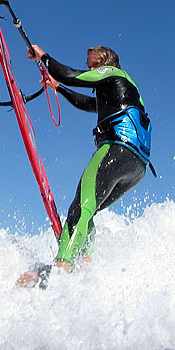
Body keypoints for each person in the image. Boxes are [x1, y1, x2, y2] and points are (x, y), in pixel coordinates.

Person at [16, 45, 152, 287]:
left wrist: (43, 57)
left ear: (107, 63)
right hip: (137, 167)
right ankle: (85, 265)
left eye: (94, 65)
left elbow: (73, 75)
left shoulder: (113, 73)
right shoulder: (125, 89)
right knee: (90, 210)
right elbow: (89, 104)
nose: (91, 69)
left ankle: (62, 267)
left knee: (80, 208)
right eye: (89, 65)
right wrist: (58, 88)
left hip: (117, 149)